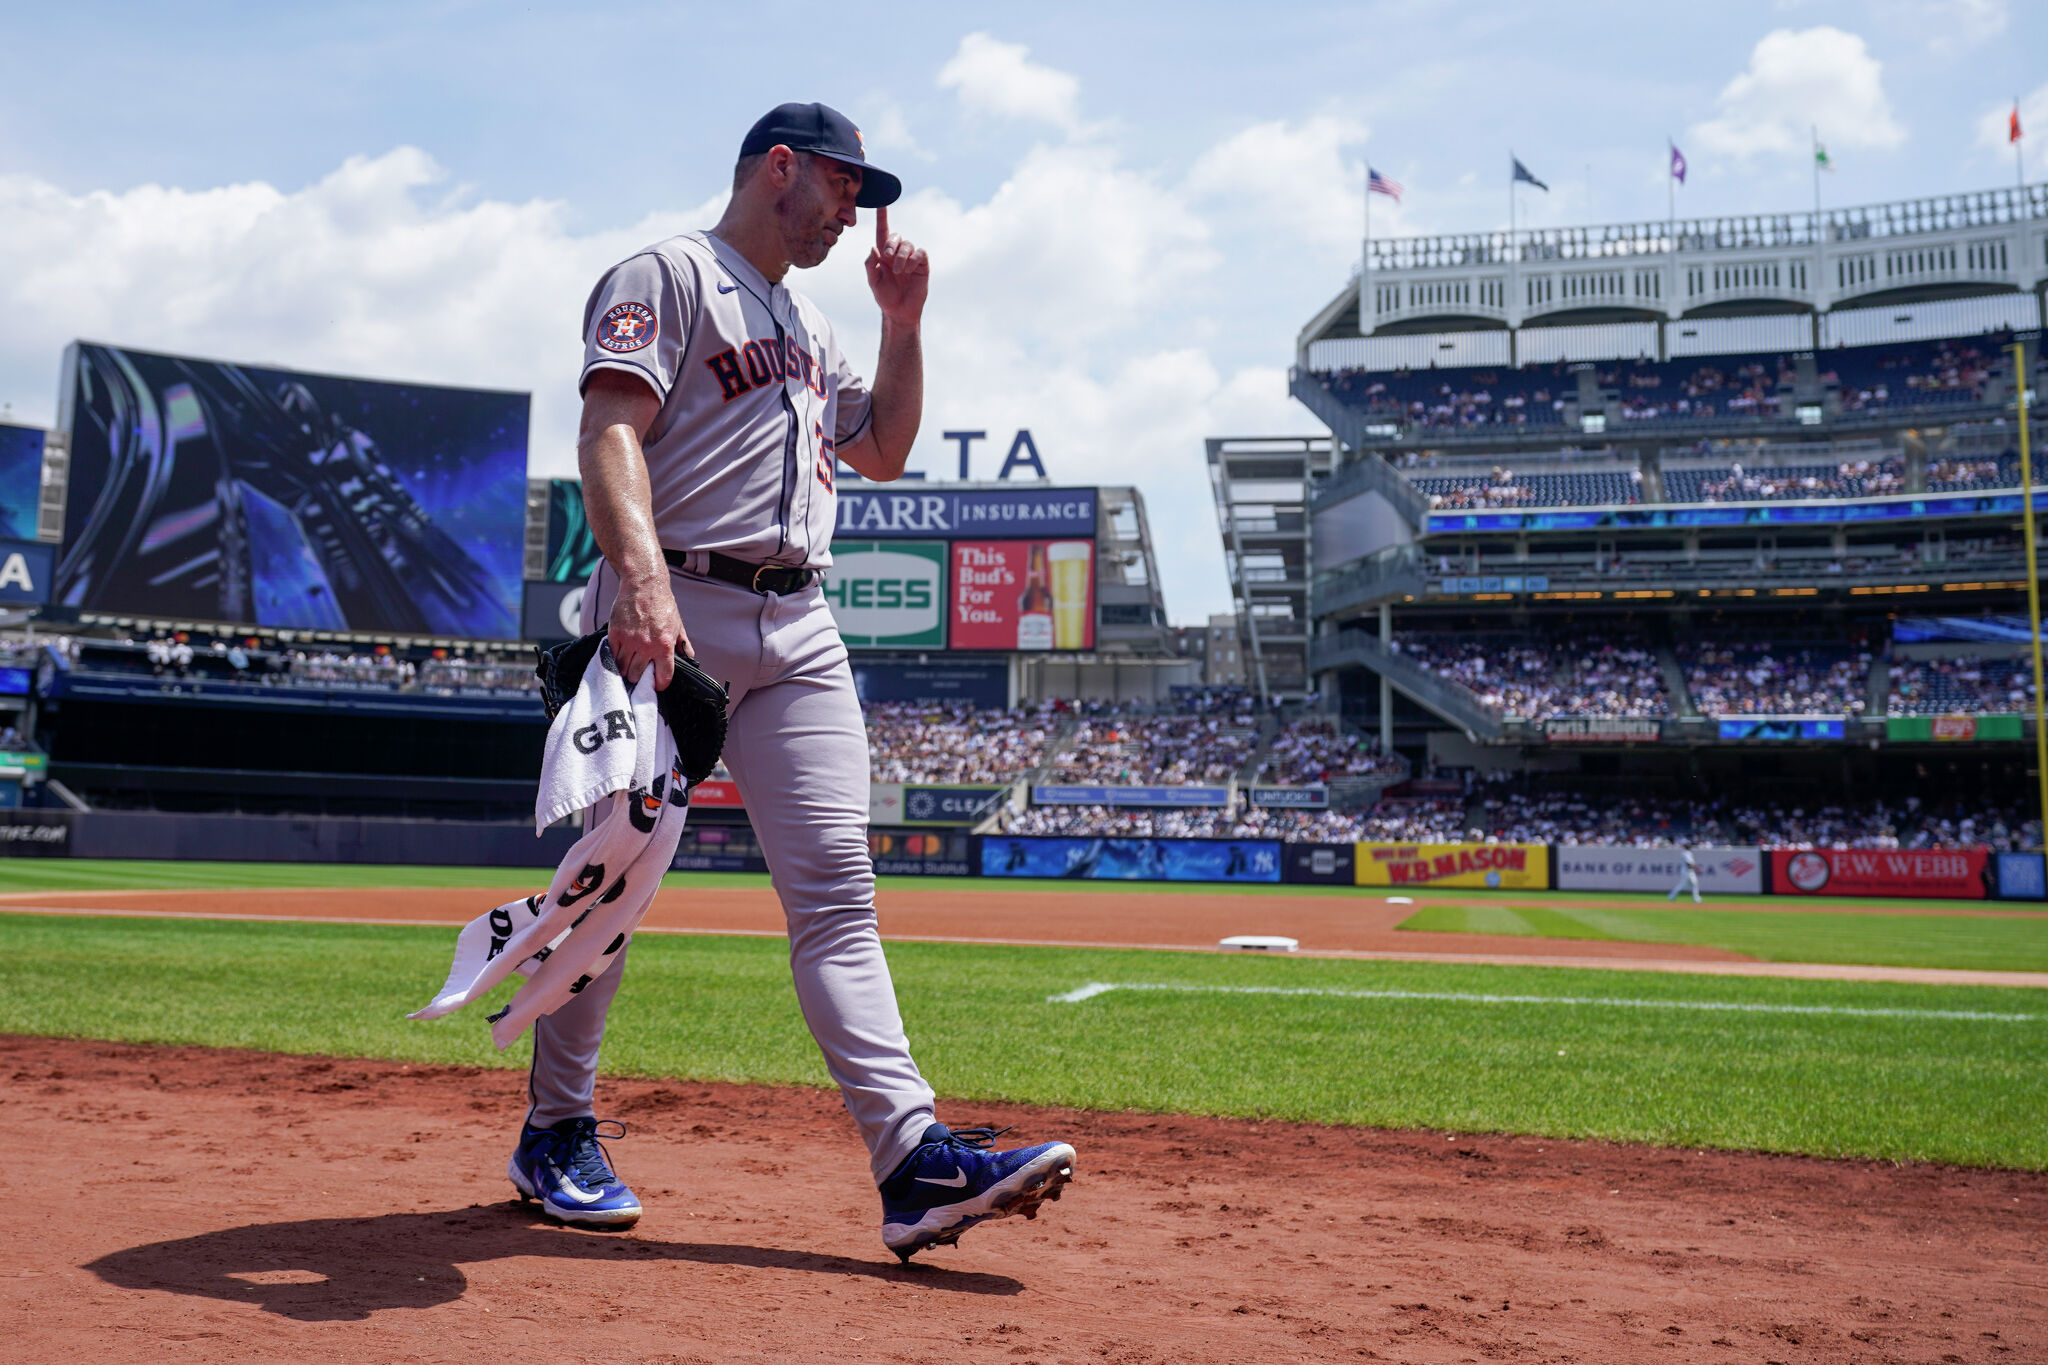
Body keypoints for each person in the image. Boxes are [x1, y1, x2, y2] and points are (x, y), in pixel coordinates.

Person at [509, 102, 1074, 1262]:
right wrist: (640, 586)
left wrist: (902, 324)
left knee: (836, 896)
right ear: (781, 167)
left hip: (800, 620)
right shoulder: (665, 275)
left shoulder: (811, 323)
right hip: (672, 606)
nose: (853, 214)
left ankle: (911, 1161)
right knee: (609, 887)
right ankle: (555, 1128)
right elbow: (608, 430)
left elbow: (883, 453)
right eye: (842, 188)